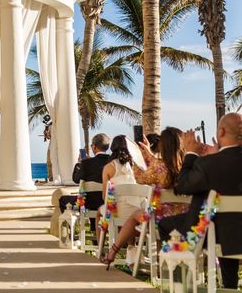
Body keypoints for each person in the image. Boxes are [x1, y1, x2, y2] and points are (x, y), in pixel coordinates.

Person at [158, 113, 242, 289]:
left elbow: (182, 185)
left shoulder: (210, 164)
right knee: (228, 225)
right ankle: (230, 287)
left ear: (221, 131)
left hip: (214, 234)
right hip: (232, 235)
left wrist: (191, 153)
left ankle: (179, 284)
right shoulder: (212, 162)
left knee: (166, 225)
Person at [101, 126, 187, 267]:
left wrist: (139, 156)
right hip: (185, 219)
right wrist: (150, 154)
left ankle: (113, 251)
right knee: (136, 213)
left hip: (159, 220)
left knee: (135, 216)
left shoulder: (159, 168)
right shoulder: (187, 166)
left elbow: (139, 178)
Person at [96, 135, 139, 246]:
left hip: (116, 211)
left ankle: (100, 246)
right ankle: (131, 248)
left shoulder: (109, 167)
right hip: (136, 211)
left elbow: (105, 197)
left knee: (98, 213)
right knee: (129, 209)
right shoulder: (135, 166)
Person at [59, 133, 111, 213]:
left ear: (94, 147)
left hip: (88, 204)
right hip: (109, 202)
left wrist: (79, 163)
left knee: (63, 200)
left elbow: (76, 179)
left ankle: (72, 225)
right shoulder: (113, 162)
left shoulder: (86, 163)